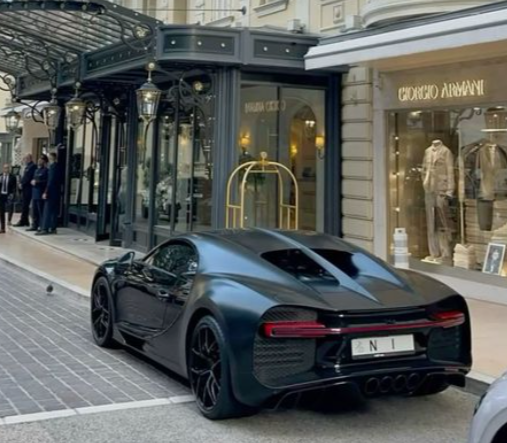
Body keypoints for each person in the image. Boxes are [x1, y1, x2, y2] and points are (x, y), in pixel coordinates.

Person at [38, 152, 61, 235]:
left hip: (51, 192)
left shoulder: (52, 167)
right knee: (54, 211)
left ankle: (45, 228)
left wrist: (46, 192)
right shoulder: (58, 167)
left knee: (47, 210)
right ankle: (53, 228)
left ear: (51, 158)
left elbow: (50, 181)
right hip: (56, 192)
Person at [27, 155, 48, 233]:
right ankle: (34, 225)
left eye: (41, 160)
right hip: (34, 193)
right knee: (34, 211)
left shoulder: (46, 171)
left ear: (44, 161)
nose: (39, 161)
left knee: (40, 211)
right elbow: (34, 179)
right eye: (39, 160)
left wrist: (37, 182)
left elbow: (46, 182)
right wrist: (32, 181)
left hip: (40, 193)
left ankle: (42, 226)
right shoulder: (36, 170)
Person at [14, 154, 37, 227]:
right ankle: (25, 220)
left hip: (28, 188)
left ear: (29, 158)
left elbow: (28, 177)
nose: (24, 160)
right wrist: (20, 183)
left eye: (26, 159)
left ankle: (23, 220)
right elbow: (23, 176)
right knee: (24, 205)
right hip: (25, 188)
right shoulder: (27, 166)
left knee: (25, 205)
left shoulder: (32, 166)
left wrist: (22, 184)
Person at [0, 164, 16, 234]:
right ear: (3, 169)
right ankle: (2, 228)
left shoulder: (12, 177)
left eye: (7, 168)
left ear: (9, 169)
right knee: (1, 211)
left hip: (9, 194)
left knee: (10, 207)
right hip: (1, 195)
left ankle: (9, 220)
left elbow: (14, 187)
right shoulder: (0, 176)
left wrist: (13, 194)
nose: (6, 169)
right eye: (5, 168)